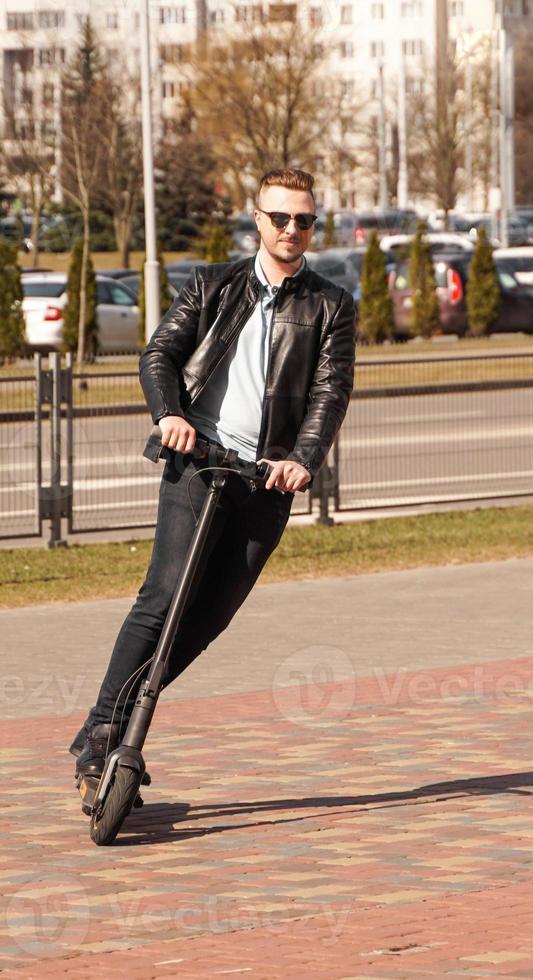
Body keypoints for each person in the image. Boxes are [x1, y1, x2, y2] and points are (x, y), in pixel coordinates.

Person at [70, 167, 356, 806]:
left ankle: (110, 732)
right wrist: (168, 413)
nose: (291, 229)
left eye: (303, 220)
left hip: (267, 480)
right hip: (198, 462)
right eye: (279, 217)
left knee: (208, 616)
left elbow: (329, 392)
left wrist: (304, 458)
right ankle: (103, 739)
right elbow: (159, 355)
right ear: (257, 219)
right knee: (164, 600)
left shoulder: (330, 304)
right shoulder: (215, 283)